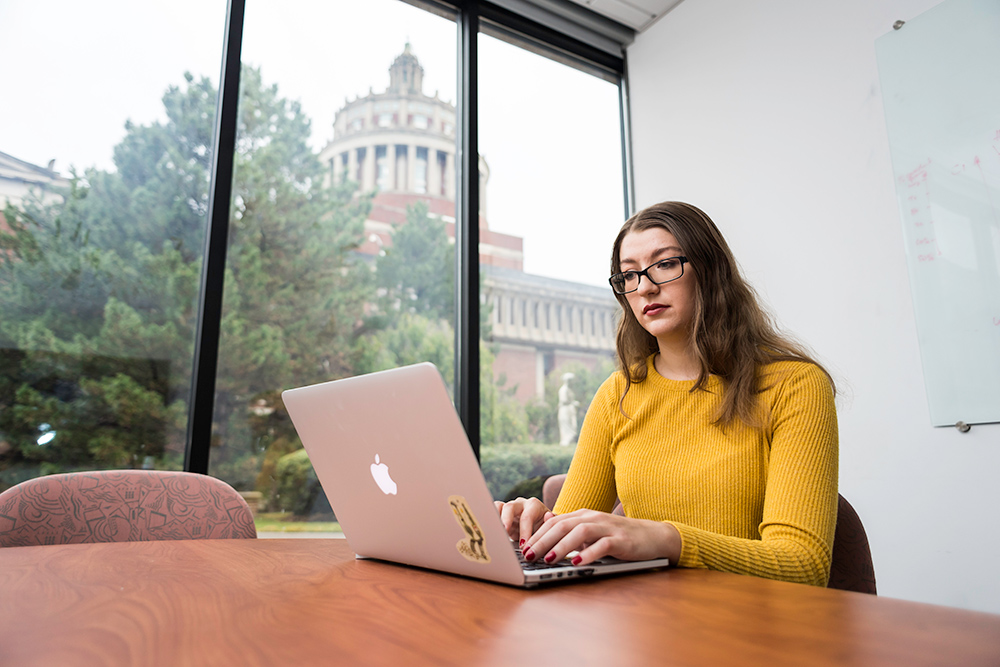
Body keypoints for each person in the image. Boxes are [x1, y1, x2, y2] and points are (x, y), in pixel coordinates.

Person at [496, 201, 839, 586]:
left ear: (711, 271)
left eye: (664, 264)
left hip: (753, 629)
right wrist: (536, 527)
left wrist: (667, 539)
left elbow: (803, 566)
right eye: (628, 275)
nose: (645, 287)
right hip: (647, 623)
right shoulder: (618, 395)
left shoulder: (794, 385)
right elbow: (574, 532)